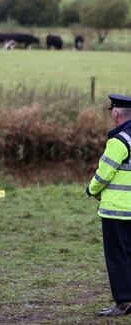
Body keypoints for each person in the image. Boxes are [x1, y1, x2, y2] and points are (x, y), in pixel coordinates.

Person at [87, 94, 131, 317]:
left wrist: (91, 190)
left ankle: (123, 302)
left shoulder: (119, 141)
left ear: (116, 113)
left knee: (117, 257)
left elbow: (104, 174)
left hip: (117, 211)